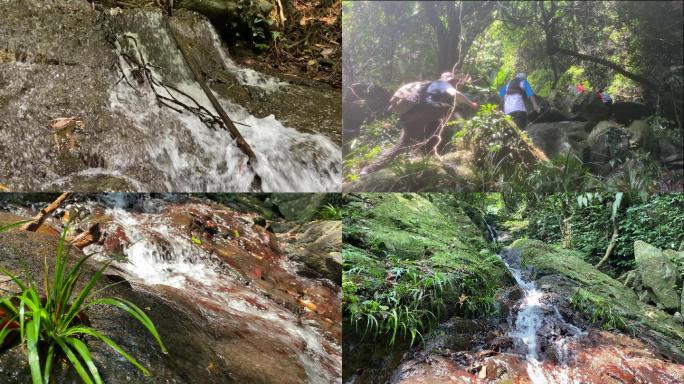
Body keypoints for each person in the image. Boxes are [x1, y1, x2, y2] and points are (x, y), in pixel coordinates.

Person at [360, 72, 478, 175]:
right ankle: (464, 131)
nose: (456, 84)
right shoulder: (441, 84)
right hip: (422, 109)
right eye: (454, 82)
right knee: (450, 108)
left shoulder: (425, 86)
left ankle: (369, 169)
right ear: (450, 80)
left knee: (403, 143)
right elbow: (455, 94)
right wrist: (471, 104)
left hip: (408, 114)